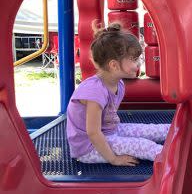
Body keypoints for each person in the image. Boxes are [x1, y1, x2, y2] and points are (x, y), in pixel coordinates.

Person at [66, 23, 169, 166]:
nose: (138, 64)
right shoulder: (94, 91)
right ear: (114, 65)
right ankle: (174, 160)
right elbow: (93, 133)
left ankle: (180, 134)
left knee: (154, 129)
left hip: (110, 132)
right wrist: (114, 159)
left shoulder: (119, 84)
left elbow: (108, 121)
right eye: (133, 59)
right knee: (144, 145)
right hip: (89, 148)